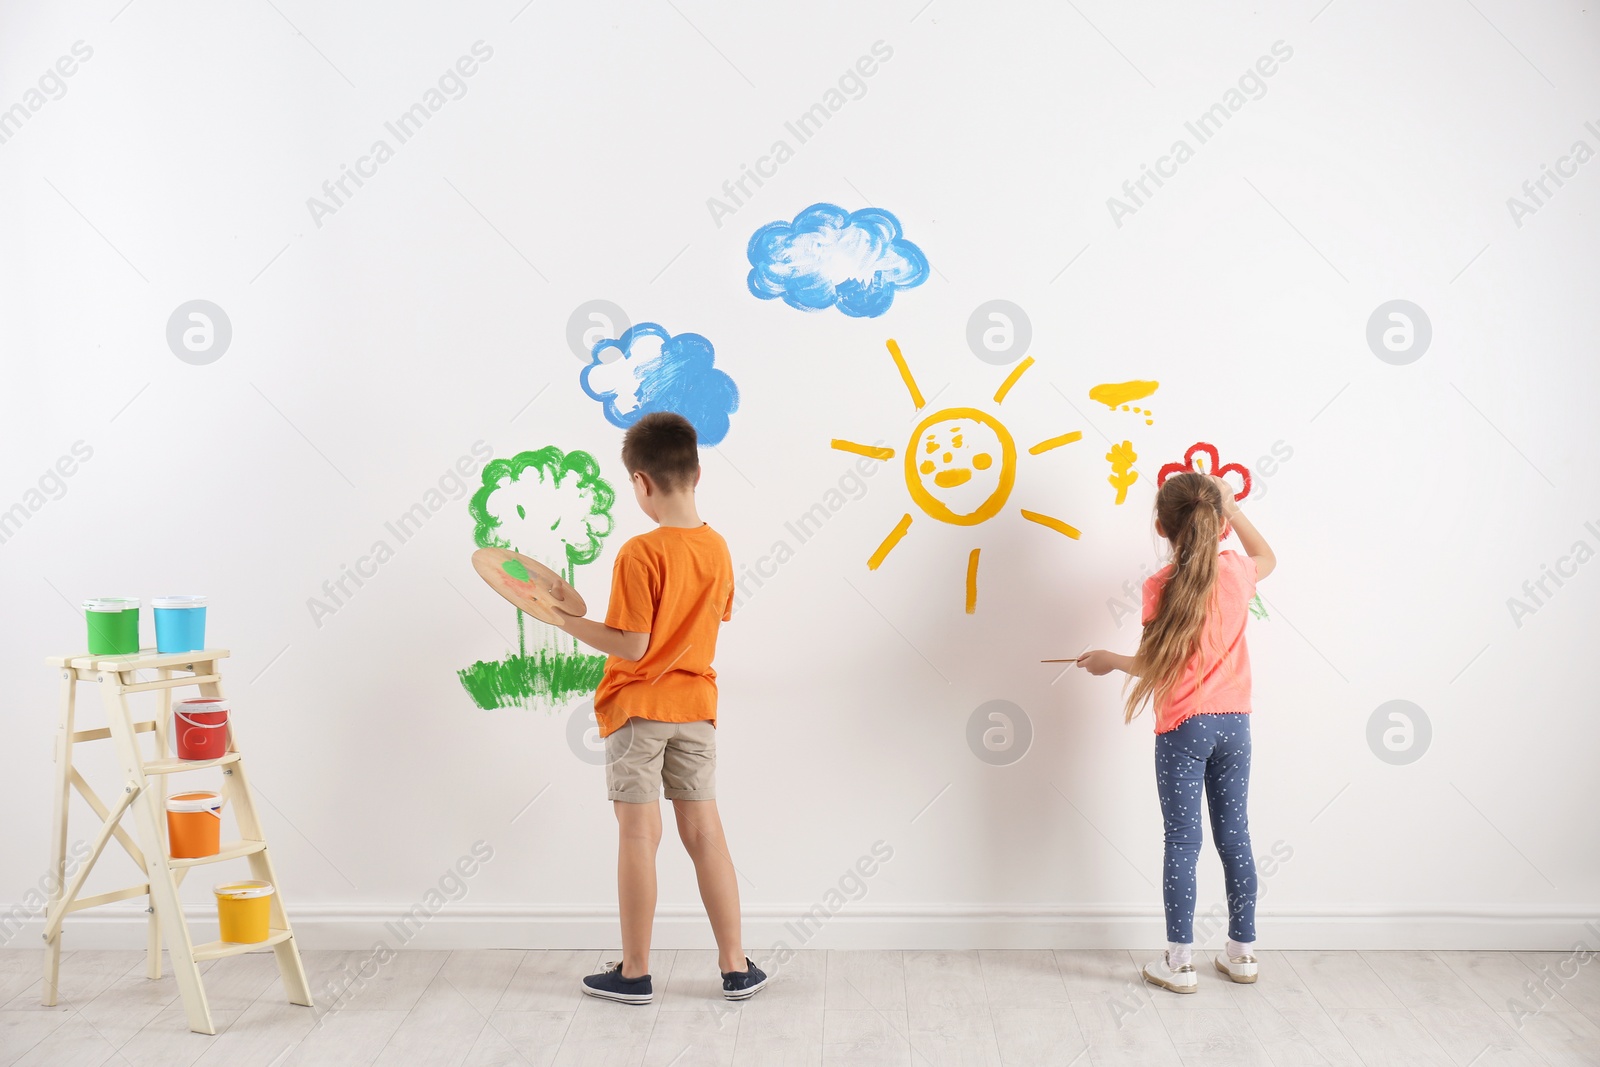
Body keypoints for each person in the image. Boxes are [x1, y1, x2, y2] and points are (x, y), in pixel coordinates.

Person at [547, 411, 766, 1004]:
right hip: (696, 708)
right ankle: (736, 966)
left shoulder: (639, 553)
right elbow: (715, 616)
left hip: (640, 711)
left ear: (641, 482)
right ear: (696, 472)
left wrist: (569, 622)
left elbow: (634, 644)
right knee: (706, 834)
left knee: (639, 836)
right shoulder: (717, 547)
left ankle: (636, 972)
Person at [1077, 471, 1276, 994]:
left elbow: (1151, 663)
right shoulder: (1237, 571)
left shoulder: (1159, 587)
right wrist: (1229, 507)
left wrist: (1106, 661)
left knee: (1183, 841)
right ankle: (1243, 954)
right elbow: (1269, 556)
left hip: (1185, 728)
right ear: (1214, 519)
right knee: (1236, 836)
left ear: (1163, 526)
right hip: (1236, 725)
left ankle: (1180, 962)